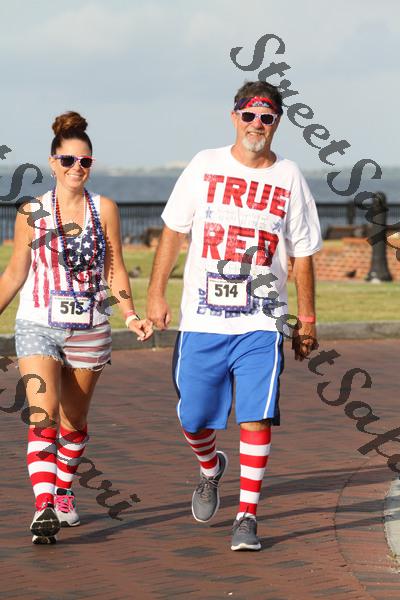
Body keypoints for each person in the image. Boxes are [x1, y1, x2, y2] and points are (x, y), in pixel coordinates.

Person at [147, 81, 322, 551]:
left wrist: (306, 319)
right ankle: (210, 468)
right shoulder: (205, 165)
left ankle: (247, 515)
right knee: (193, 417)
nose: (256, 125)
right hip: (203, 319)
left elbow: (303, 253)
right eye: (249, 116)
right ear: (234, 117)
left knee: (256, 415)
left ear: (277, 123)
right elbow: (173, 231)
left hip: (261, 322)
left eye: (266, 118)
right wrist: (156, 293)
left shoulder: (289, 176)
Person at [0, 111, 153, 544]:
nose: (76, 168)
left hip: (90, 326)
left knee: (74, 420)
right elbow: (14, 272)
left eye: (84, 161)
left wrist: (130, 314)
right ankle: (44, 505)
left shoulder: (105, 209)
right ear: (52, 163)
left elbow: (114, 268)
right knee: (43, 415)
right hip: (38, 324)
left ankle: (64, 491)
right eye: (67, 160)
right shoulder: (32, 212)